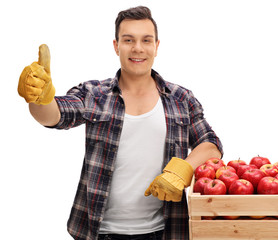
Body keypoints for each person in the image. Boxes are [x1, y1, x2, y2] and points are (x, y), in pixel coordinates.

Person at [18, 6, 223, 240]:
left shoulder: (181, 98)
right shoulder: (94, 94)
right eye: (128, 40)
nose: (137, 48)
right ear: (116, 46)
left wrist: (185, 168)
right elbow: (55, 115)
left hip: (165, 231)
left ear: (156, 46)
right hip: (100, 232)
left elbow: (211, 144)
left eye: (146, 40)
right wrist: (39, 99)